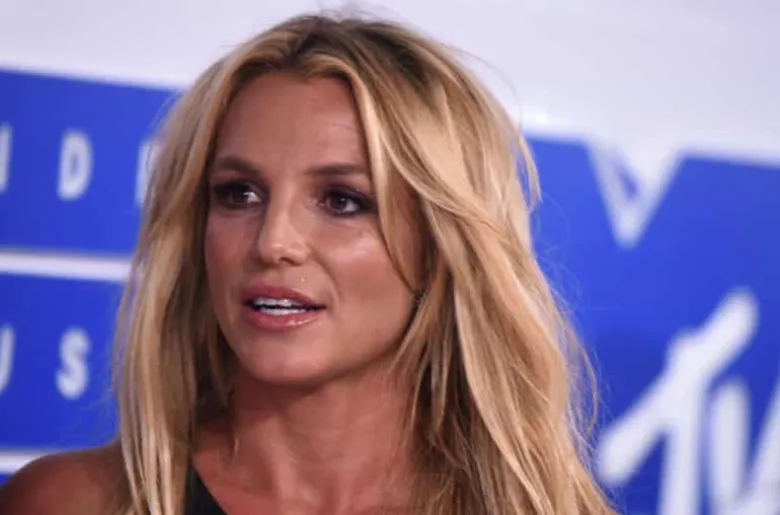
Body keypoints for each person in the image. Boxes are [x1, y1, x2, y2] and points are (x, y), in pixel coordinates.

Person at [0, 12, 615, 515]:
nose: (273, 242)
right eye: (239, 193)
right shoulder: (69, 504)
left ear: (440, 246)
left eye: (342, 201)